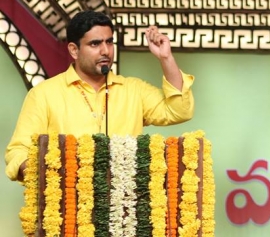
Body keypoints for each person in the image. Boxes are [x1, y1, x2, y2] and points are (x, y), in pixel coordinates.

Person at [4, 10, 195, 182]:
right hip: (64, 204)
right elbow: (18, 151)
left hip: (124, 205)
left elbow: (179, 111)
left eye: (109, 42)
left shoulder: (133, 90)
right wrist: (50, 176)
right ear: (74, 50)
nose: (105, 51)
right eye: (95, 44)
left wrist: (166, 58)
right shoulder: (44, 94)